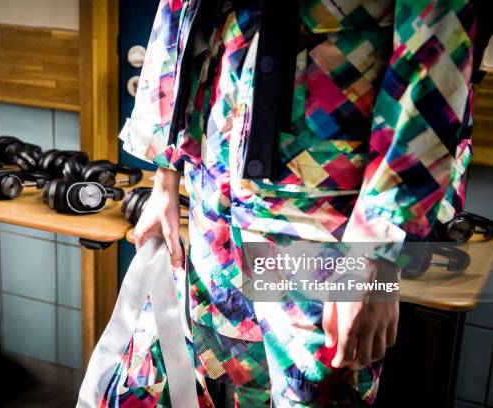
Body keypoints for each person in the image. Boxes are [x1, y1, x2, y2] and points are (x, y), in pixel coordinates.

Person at [120, 0, 481, 405]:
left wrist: (378, 250)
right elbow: (178, 11)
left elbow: (438, 49)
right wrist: (163, 175)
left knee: (317, 394)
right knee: (235, 378)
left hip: (330, 201)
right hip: (214, 177)